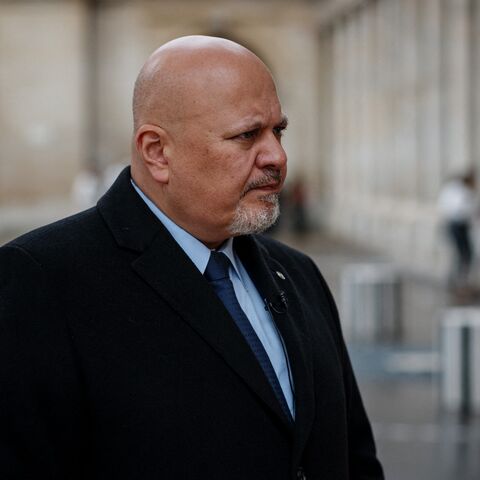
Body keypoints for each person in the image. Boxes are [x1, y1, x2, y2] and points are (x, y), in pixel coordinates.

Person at [0, 36, 384, 479]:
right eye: (247, 135)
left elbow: (353, 458)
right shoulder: (40, 281)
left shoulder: (298, 274)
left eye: (278, 131)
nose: (277, 156)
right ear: (157, 152)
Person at [438, 170, 477, 294]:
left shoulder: (455, 190)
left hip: (456, 225)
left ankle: (458, 282)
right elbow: (461, 210)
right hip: (457, 226)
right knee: (464, 254)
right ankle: (459, 283)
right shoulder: (462, 192)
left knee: (462, 254)